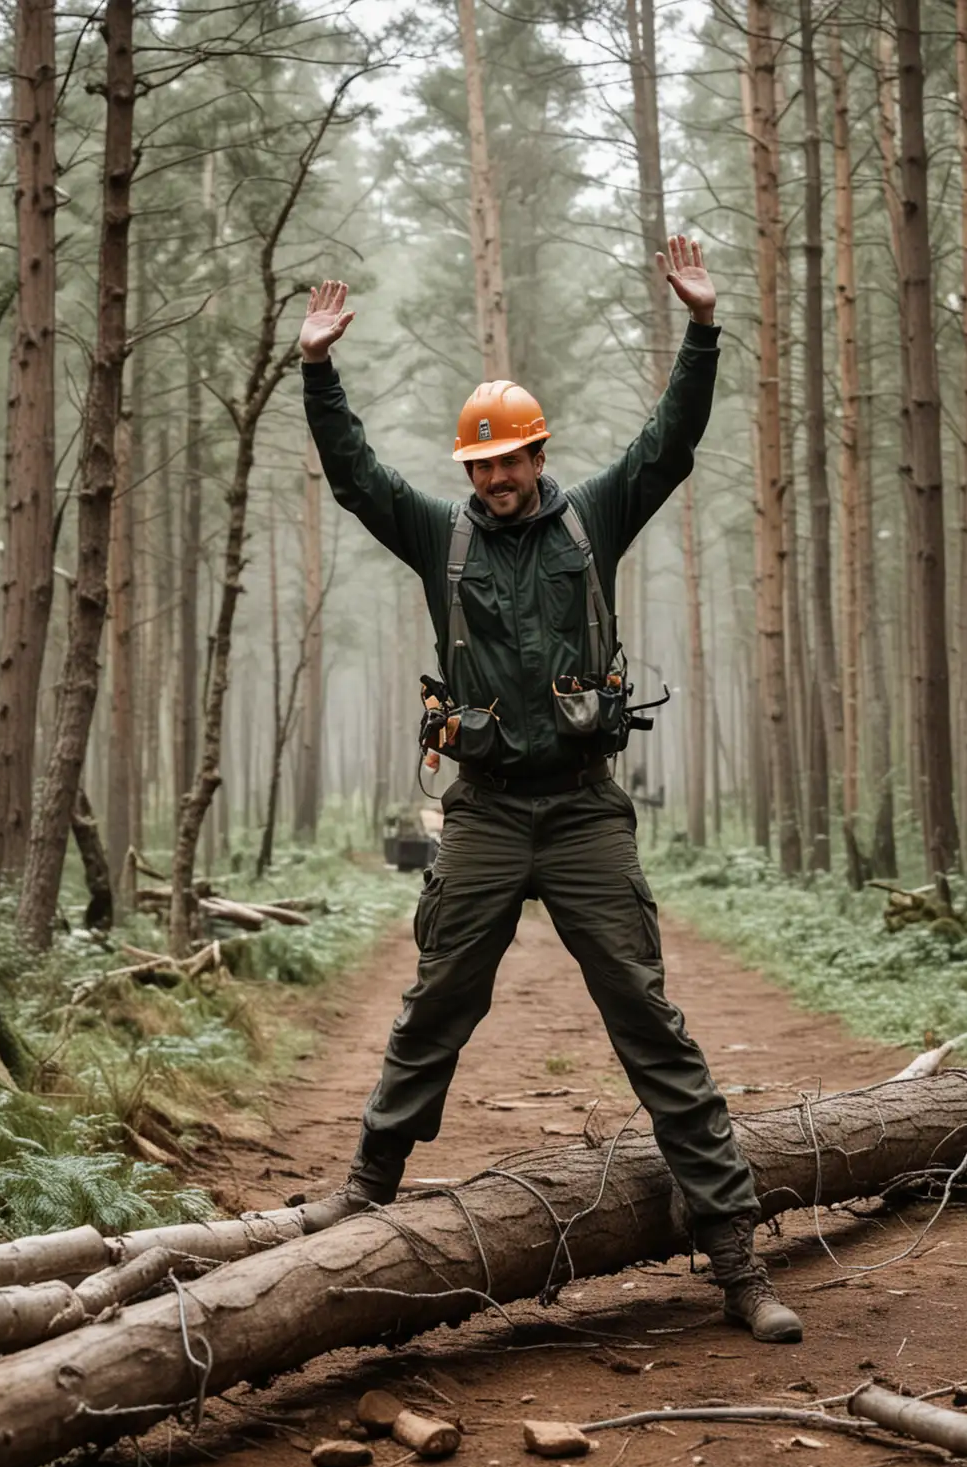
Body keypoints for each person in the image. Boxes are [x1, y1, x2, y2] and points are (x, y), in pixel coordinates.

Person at [298, 237, 802, 1343]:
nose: (495, 478)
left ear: (537, 453)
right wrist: (319, 376)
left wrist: (703, 331)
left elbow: (669, 446)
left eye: (510, 460)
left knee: (650, 1023)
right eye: (480, 466)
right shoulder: (438, 539)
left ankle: (737, 1261)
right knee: (437, 1003)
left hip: (580, 809)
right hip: (482, 812)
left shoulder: (594, 519)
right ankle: (368, 1187)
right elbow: (356, 478)